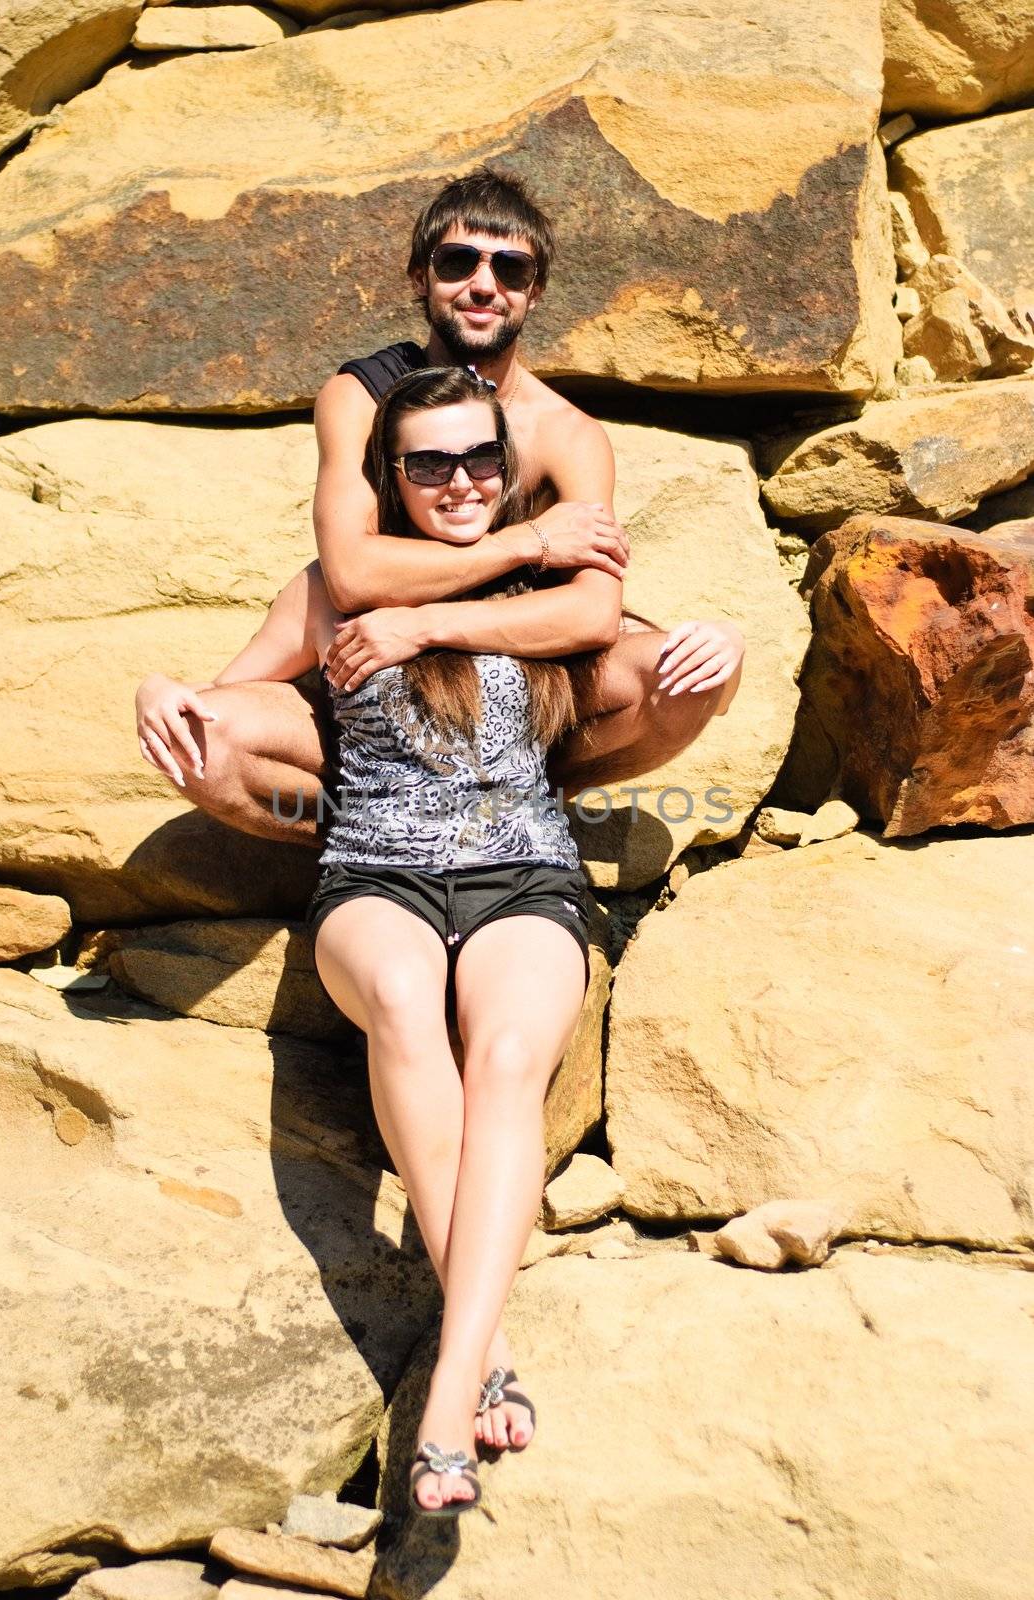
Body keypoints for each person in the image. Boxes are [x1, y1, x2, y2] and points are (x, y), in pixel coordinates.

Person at [162, 364, 598, 1516]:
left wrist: (701, 640)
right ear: (388, 476)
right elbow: (227, 694)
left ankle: (450, 1386)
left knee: (507, 1063)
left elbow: (614, 626)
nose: (460, 481)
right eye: (430, 463)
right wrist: (169, 695)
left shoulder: (544, 574)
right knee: (406, 1005)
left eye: (482, 460)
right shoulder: (329, 590)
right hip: (376, 873)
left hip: (525, 874)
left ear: (509, 468)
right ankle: (486, 1346)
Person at [135, 167, 744, 830]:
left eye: (510, 270)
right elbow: (351, 573)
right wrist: (529, 542)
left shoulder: (567, 435)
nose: (484, 284)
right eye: (458, 262)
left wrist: (422, 623)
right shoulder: (361, 396)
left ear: (534, 292)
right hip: (374, 723)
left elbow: (592, 616)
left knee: (690, 677)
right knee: (201, 744)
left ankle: (520, 807)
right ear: (419, 277)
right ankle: (382, 832)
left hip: (531, 704)